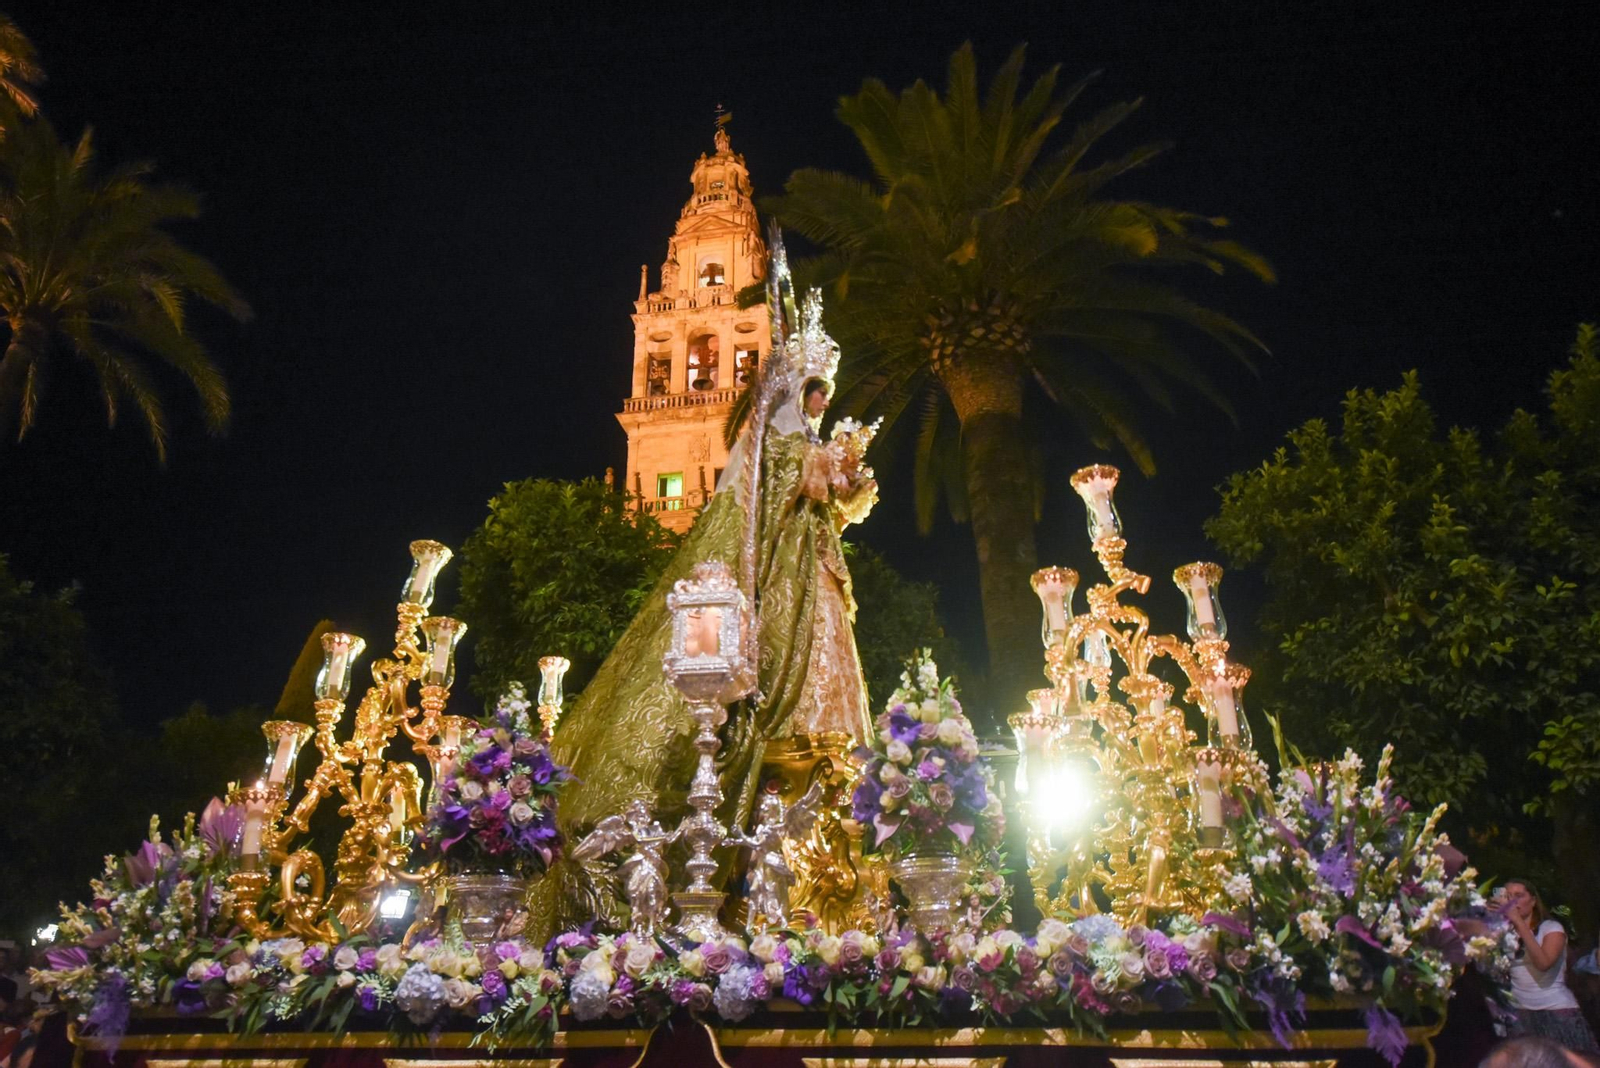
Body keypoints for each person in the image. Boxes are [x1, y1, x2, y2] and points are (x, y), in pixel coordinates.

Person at [527, 283, 876, 936]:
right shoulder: (776, 440)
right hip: (777, 578)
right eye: (815, 391)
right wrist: (824, 467)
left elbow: (826, 496)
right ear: (796, 391)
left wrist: (845, 478)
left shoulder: (796, 439)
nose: (823, 403)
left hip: (810, 571)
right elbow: (783, 480)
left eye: (826, 393)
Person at [1498, 880, 1600, 1054]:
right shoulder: (1503, 932)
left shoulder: (1551, 928)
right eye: (1507, 896)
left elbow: (1543, 963)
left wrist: (1519, 923)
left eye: (1519, 896)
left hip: (1555, 1010)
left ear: (1533, 901)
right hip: (1521, 1012)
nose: (1512, 901)